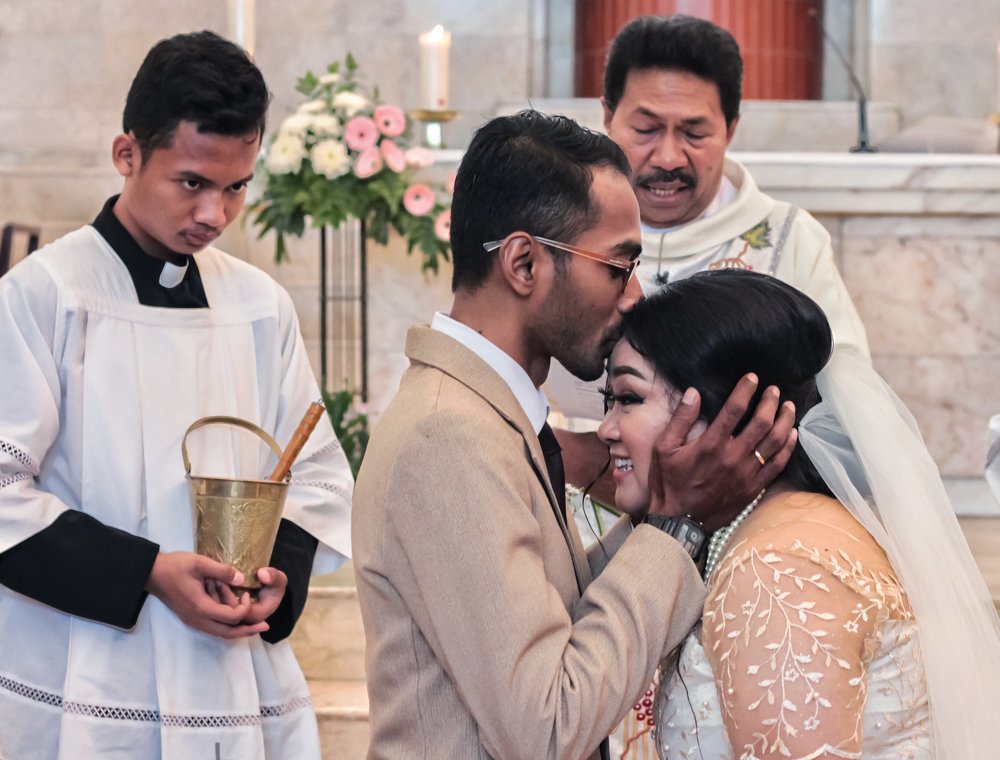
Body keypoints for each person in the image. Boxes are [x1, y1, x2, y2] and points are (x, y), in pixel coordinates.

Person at [352, 111, 798, 759]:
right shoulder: (447, 434)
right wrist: (674, 524)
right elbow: (545, 726)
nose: (633, 295)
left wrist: (677, 504)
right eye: (617, 266)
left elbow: (552, 619)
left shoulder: (486, 410)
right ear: (524, 262)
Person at [0, 31, 353, 759]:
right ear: (127, 154)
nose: (215, 215)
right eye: (192, 182)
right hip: (87, 671)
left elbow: (316, 477)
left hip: (230, 677)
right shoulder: (45, 294)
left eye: (236, 187)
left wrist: (276, 580)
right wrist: (150, 573)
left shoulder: (259, 305)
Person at [598, 268, 1000, 759]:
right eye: (608, 401)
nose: (605, 430)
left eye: (628, 399)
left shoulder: (774, 568)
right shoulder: (784, 529)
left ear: (731, 414)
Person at [557, 14, 869, 497]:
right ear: (608, 116)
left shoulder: (789, 239)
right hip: (563, 500)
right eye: (645, 128)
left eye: (695, 134)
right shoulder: (559, 235)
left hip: (737, 515)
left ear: (731, 127)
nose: (668, 158)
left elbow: (846, 417)